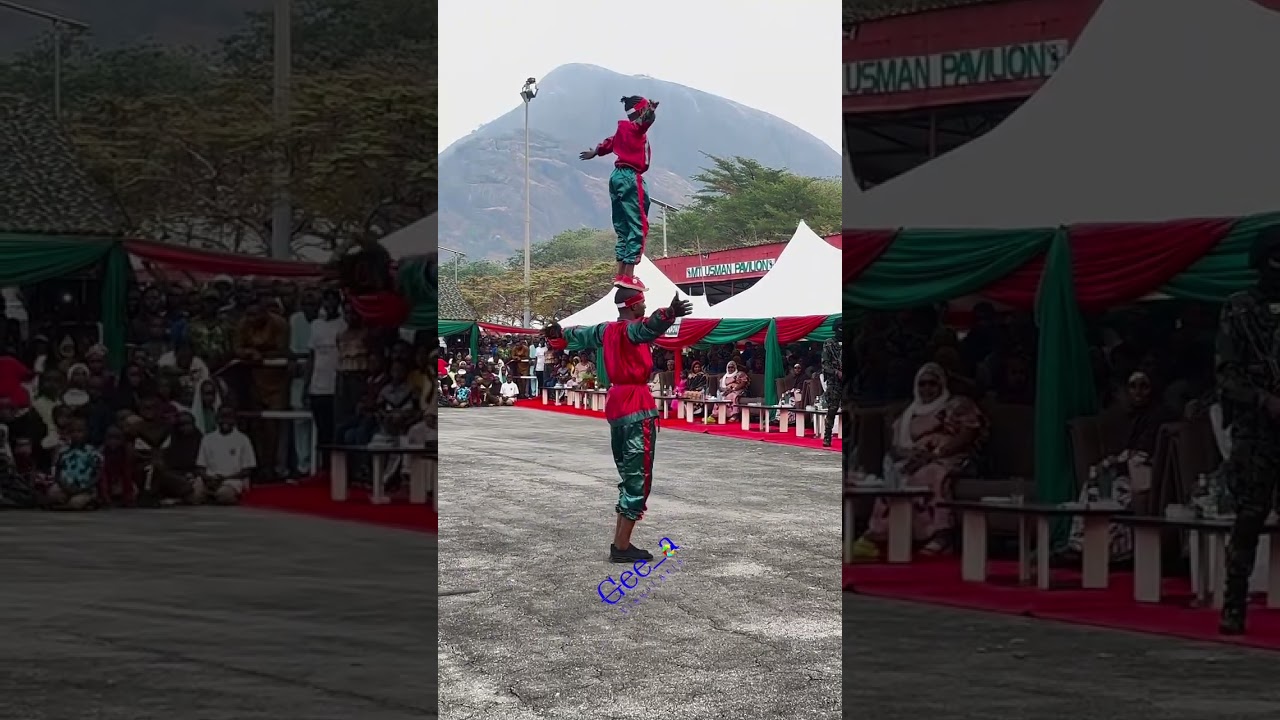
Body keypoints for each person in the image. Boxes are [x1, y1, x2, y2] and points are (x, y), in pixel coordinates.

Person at [544, 289, 692, 562]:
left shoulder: (604, 331)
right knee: (638, 477)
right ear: (634, 307)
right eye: (643, 304)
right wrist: (668, 314)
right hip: (636, 406)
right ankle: (621, 546)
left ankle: (621, 542)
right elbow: (645, 330)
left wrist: (557, 336)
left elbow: (576, 335)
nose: (645, 308)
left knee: (629, 473)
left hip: (617, 405)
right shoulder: (629, 331)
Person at [850, 363, 988, 561]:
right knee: (897, 477)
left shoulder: (957, 405)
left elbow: (968, 434)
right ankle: (880, 534)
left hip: (949, 458)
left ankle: (941, 535)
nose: (927, 389)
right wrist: (911, 456)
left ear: (942, 384)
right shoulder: (908, 413)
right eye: (922, 384)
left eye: (932, 383)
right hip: (915, 460)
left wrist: (936, 453)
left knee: (929, 474)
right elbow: (896, 447)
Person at [1217, 228, 1280, 635]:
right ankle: (1234, 604)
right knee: (1249, 519)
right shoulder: (1239, 310)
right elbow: (1225, 376)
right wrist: (1265, 401)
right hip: (1256, 434)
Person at [578, 95, 659, 291]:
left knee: (623, 227)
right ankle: (629, 275)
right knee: (639, 226)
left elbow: (609, 143)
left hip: (616, 177)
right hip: (631, 176)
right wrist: (649, 113)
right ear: (641, 111)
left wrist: (595, 152)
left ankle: (621, 274)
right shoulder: (636, 128)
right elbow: (645, 121)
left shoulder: (623, 131)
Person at [197, 407, 256, 505]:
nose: (225, 421)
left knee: (223, 496)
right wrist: (208, 478)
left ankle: (216, 497)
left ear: (235, 420)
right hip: (209, 480)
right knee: (195, 496)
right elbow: (200, 466)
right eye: (222, 417)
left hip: (231, 481)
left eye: (229, 418)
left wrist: (224, 478)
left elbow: (247, 470)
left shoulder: (243, 439)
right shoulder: (207, 438)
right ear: (216, 419)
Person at [822, 320, 843, 448]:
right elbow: (825, 365)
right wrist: (837, 372)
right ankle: (827, 437)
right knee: (832, 410)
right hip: (834, 383)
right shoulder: (829, 344)